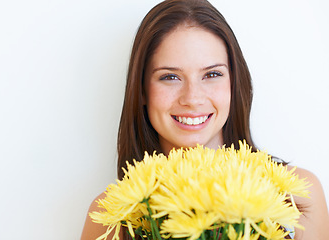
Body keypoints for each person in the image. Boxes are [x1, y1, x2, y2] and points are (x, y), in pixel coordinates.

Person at [81, 0, 329, 239]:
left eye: (212, 74)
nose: (192, 98)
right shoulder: (108, 214)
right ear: (142, 91)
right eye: (170, 77)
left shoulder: (300, 197)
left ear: (234, 83)